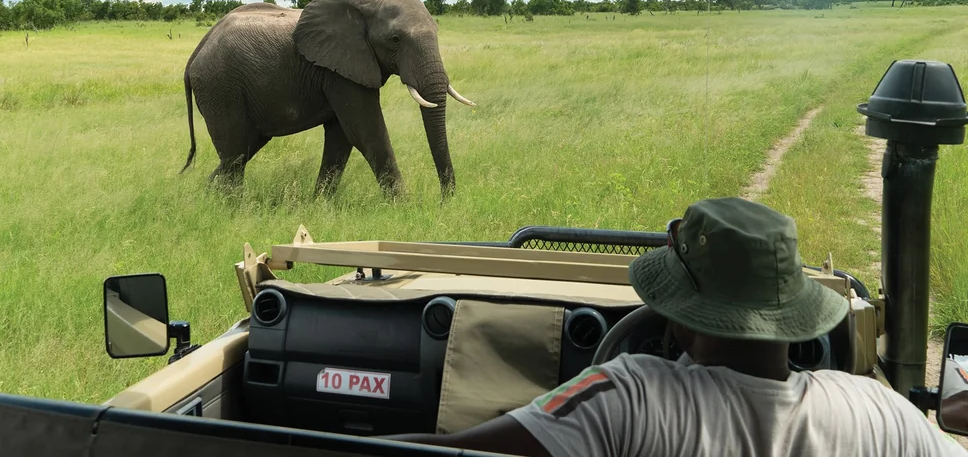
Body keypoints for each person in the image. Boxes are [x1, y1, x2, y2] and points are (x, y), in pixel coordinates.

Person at [385, 197, 968, 456]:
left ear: (680, 321)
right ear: (795, 319)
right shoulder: (883, 415)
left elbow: (449, 453)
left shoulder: (627, 396)